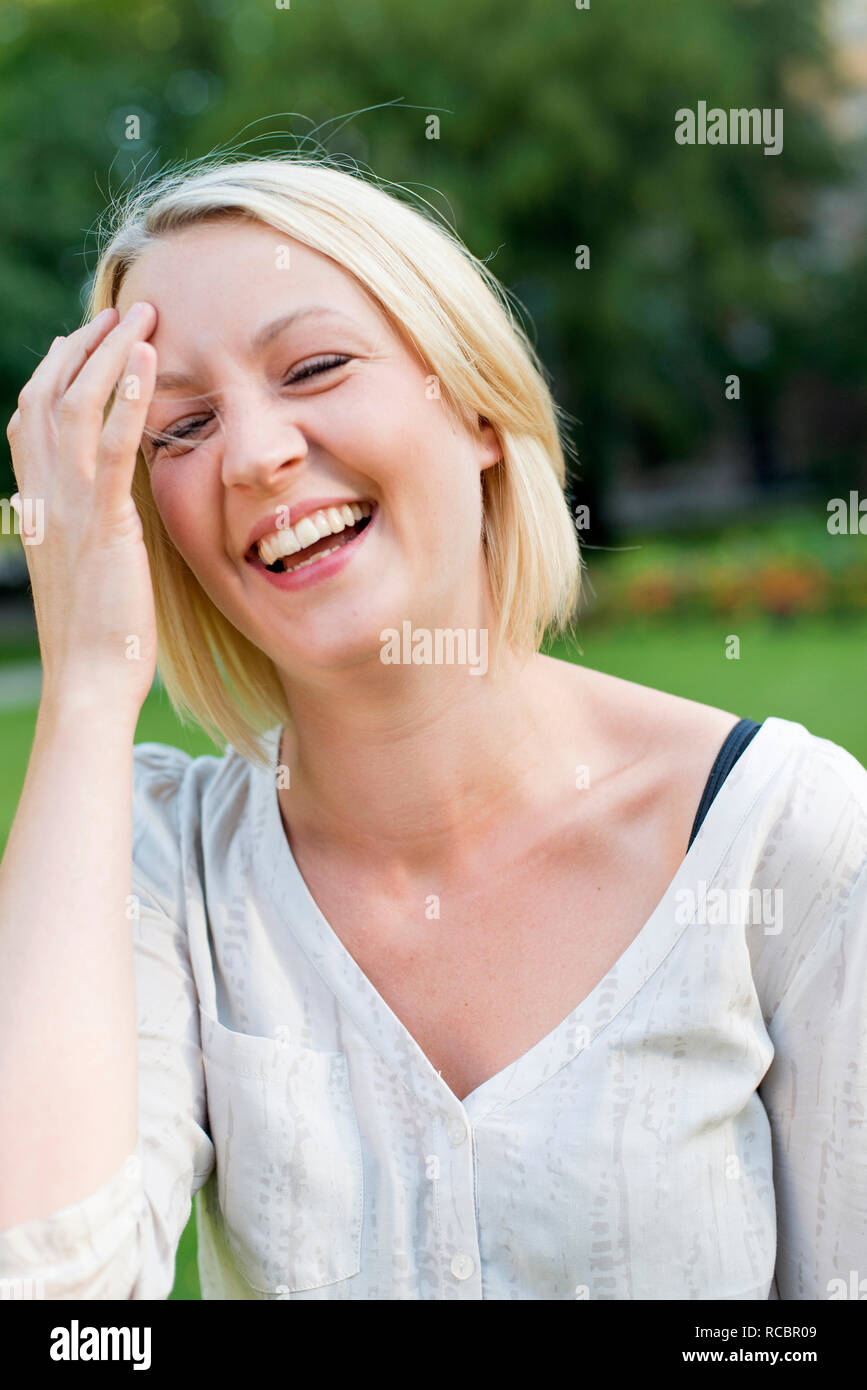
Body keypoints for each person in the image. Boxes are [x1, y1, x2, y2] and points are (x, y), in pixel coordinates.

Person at [0, 156, 864, 1300]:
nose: (256, 455)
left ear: (477, 407)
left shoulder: (785, 839)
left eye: (314, 366)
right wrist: (88, 691)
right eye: (183, 427)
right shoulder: (159, 868)